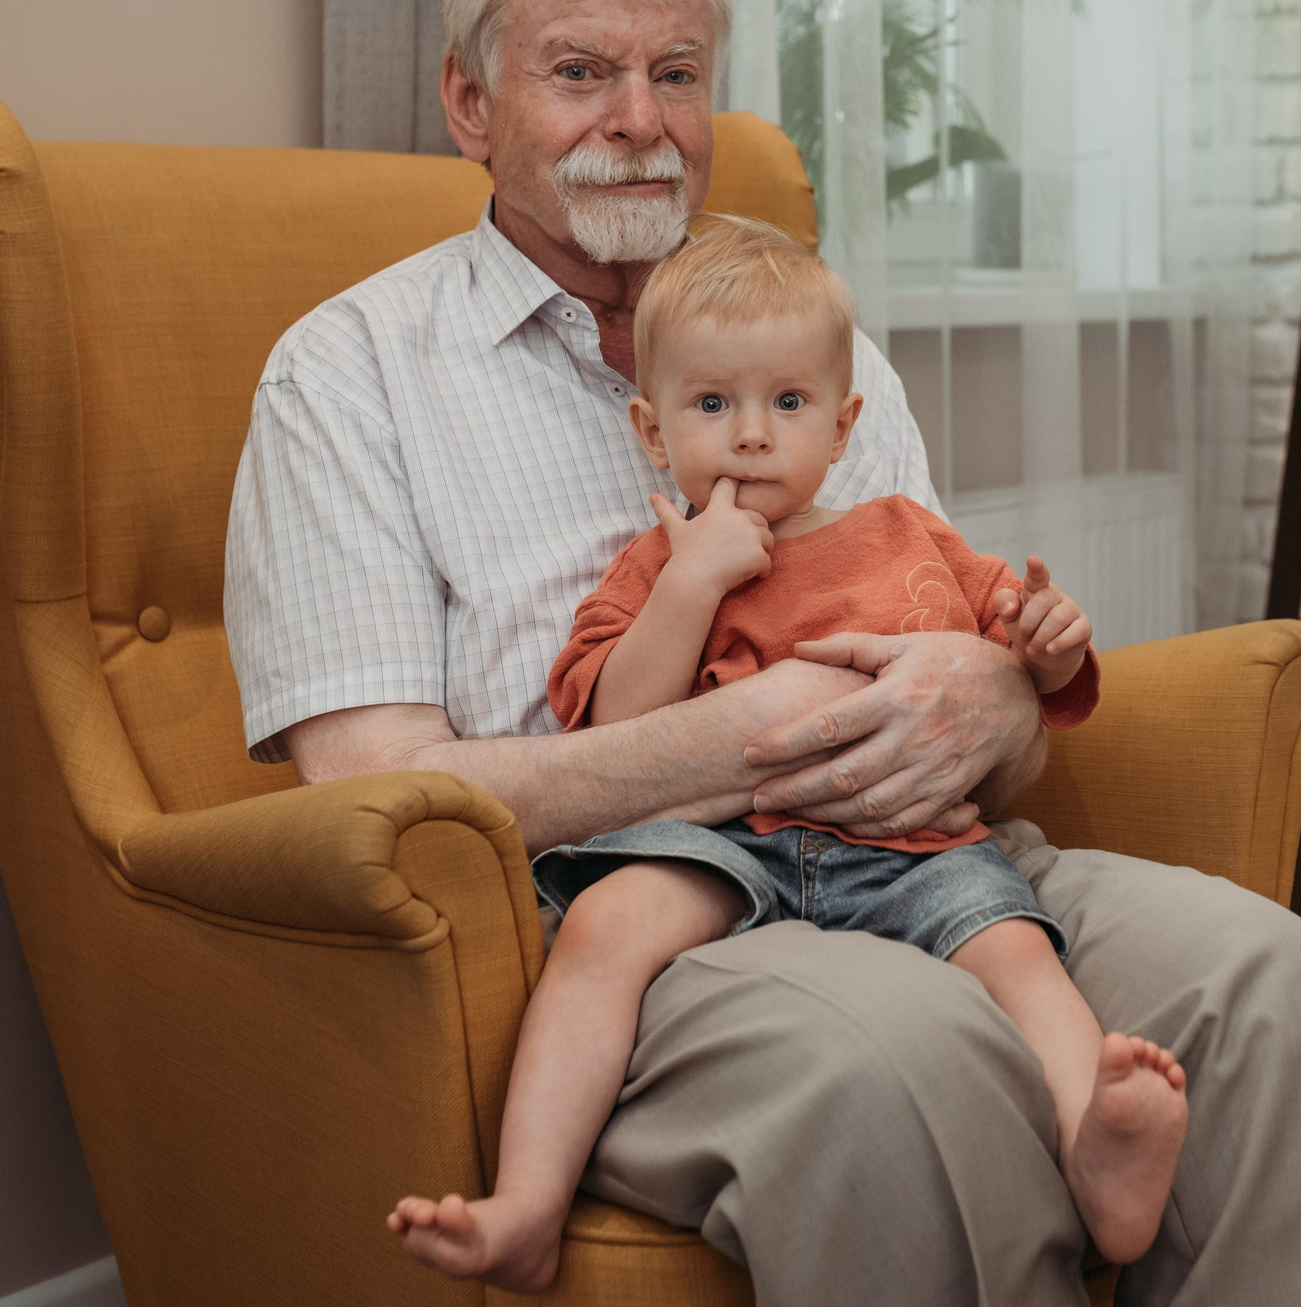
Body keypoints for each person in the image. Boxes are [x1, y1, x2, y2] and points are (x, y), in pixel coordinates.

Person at [226, 0, 1301, 1304]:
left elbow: (976, 662)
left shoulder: (818, 349)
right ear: (472, 105)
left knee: (1273, 985)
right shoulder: (350, 375)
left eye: (677, 74)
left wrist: (992, 691)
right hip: (643, 912)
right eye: (579, 71)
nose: (638, 118)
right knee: (908, 1062)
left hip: (926, 856)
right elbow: (373, 797)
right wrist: (753, 737)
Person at [386, 217, 1189, 1290]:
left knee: (1016, 954)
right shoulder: (654, 563)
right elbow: (610, 721)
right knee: (606, 924)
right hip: (725, 844)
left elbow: (1004, 664)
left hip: (911, 842)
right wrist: (690, 581)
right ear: (650, 427)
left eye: (788, 403)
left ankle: (1101, 1145)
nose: (752, 435)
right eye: (712, 404)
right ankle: (529, 1200)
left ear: (846, 423)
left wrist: (1046, 643)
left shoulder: (908, 533)